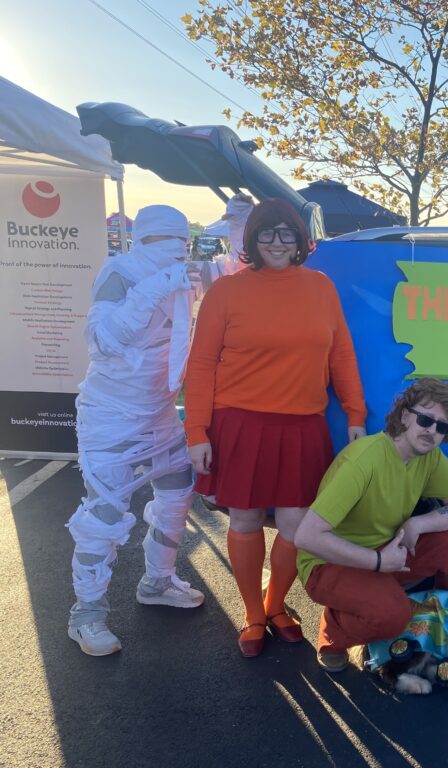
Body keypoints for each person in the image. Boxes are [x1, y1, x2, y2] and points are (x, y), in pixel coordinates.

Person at [185, 198, 367, 658]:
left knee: (295, 525)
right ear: (252, 239)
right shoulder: (226, 292)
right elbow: (201, 365)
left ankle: (276, 605)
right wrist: (196, 432)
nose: (277, 242)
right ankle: (251, 614)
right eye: (267, 232)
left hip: (302, 425)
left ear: (301, 240)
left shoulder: (321, 287)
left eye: (286, 233)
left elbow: (341, 354)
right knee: (245, 519)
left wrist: (355, 414)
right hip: (240, 423)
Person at [67, 205, 205, 656]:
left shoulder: (183, 277)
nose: (175, 251)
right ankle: (85, 615)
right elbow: (104, 339)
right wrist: (155, 288)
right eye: (165, 241)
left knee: (177, 493)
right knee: (103, 517)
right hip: (111, 416)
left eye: (181, 242)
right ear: (143, 239)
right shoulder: (120, 272)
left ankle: (158, 580)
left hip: (160, 413)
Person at [293, 378, 448, 672]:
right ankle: (335, 628)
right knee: (392, 616)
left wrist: (418, 522)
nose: (432, 430)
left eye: (442, 426)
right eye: (426, 419)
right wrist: (377, 561)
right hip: (328, 563)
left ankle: (442, 619)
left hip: (386, 552)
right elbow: (307, 537)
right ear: (405, 416)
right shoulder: (364, 459)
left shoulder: (430, 457)